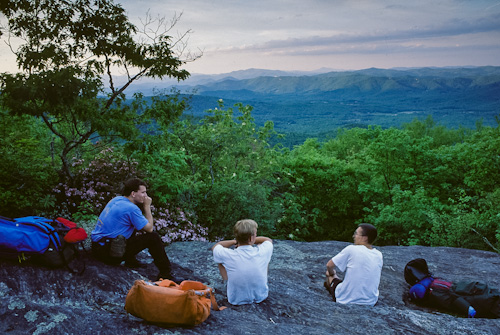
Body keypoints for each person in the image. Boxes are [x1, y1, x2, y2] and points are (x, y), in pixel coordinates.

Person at [91, 178, 173, 280]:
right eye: (143, 192)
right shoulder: (131, 208)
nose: (146, 196)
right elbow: (149, 229)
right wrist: (147, 207)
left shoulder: (117, 199)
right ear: (133, 194)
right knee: (153, 237)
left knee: (133, 225)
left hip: (97, 247)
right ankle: (166, 274)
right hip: (109, 254)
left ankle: (130, 261)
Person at [212, 219, 273, 305]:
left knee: (220, 260)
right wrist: (251, 241)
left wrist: (236, 241)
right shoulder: (262, 251)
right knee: (265, 258)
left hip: (236, 299)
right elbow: (268, 240)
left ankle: (226, 281)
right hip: (261, 296)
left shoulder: (229, 254)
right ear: (252, 238)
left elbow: (216, 246)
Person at [324, 223, 383, 306]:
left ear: (364, 238)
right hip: (370, 301)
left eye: (356, 233)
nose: (353, 236)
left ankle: (332, 286)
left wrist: (331, 273)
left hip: (347, 299)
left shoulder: (351, 249)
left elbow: (329, 265)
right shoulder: (379, 255)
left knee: (329, 274)